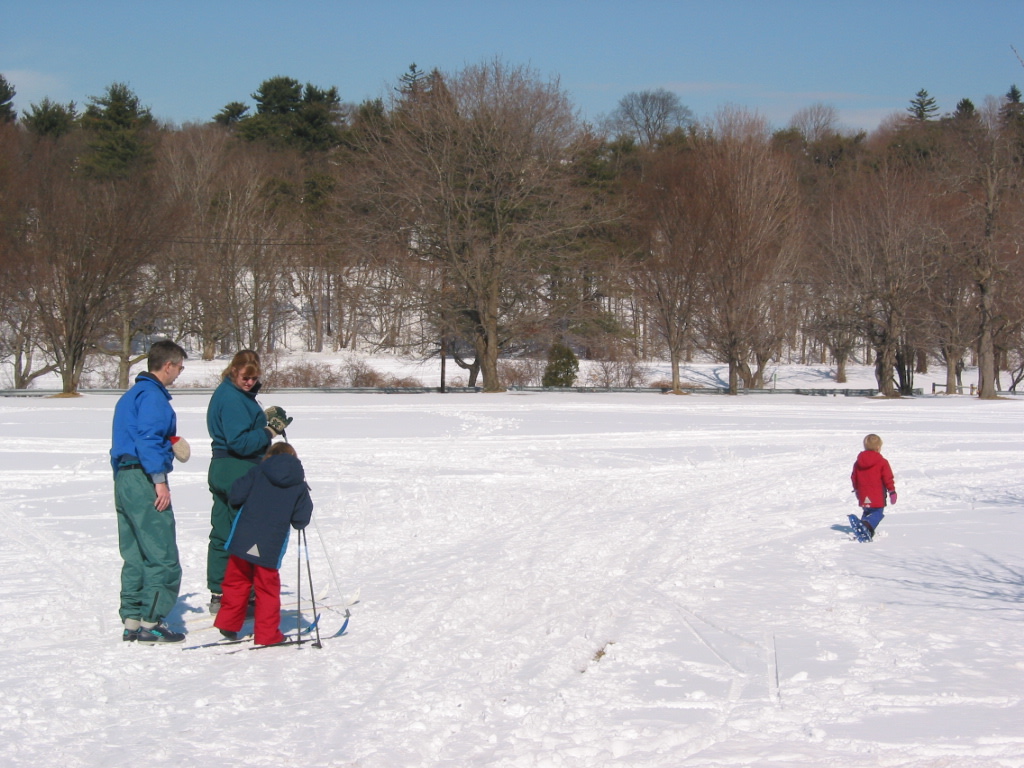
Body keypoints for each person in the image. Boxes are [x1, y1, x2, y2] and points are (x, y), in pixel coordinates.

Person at [110, 339, 188, 644]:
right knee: (162, 553)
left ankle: (132, 619)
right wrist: (159, 479)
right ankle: (151, 622)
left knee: (135, 554)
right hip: (144, 478)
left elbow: (130, 437)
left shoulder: (129, 397)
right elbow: (148, 438)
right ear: (167, 365)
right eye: (179, 368)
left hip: (124, 479)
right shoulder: (154, 397)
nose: (179, 374)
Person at [205, 350, 292, 613]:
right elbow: (240, 442)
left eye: (254, 378)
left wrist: (261, 418)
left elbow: (239, 428)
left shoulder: (230, 394)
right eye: (246, 377)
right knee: (244, 534)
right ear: (234, 371)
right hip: (237, 469)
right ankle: (241, 595)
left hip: (222, 468)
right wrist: (269, 431)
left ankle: (220, 593)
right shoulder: (232, 398)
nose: (250, 382)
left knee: (223, 529)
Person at [213, 442, 313, 645]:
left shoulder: (258, 471)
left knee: (236, 581)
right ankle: (267, 635)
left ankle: (228, 623)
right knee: (267, 589)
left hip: (243, 538)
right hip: (271, 544)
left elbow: (236, 495)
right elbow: (300, 520)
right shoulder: (298, 483)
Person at [851, 433, 897, 540]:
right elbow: (888, 478)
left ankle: (861, 527)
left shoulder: (858, 462)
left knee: (867, 512)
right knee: (877, 513)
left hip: (863, 494)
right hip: (876, 495)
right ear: (878, 447)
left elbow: (854, 477)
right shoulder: (882, 462)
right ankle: (866, 526)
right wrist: (892, 491)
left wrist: (857, 490)